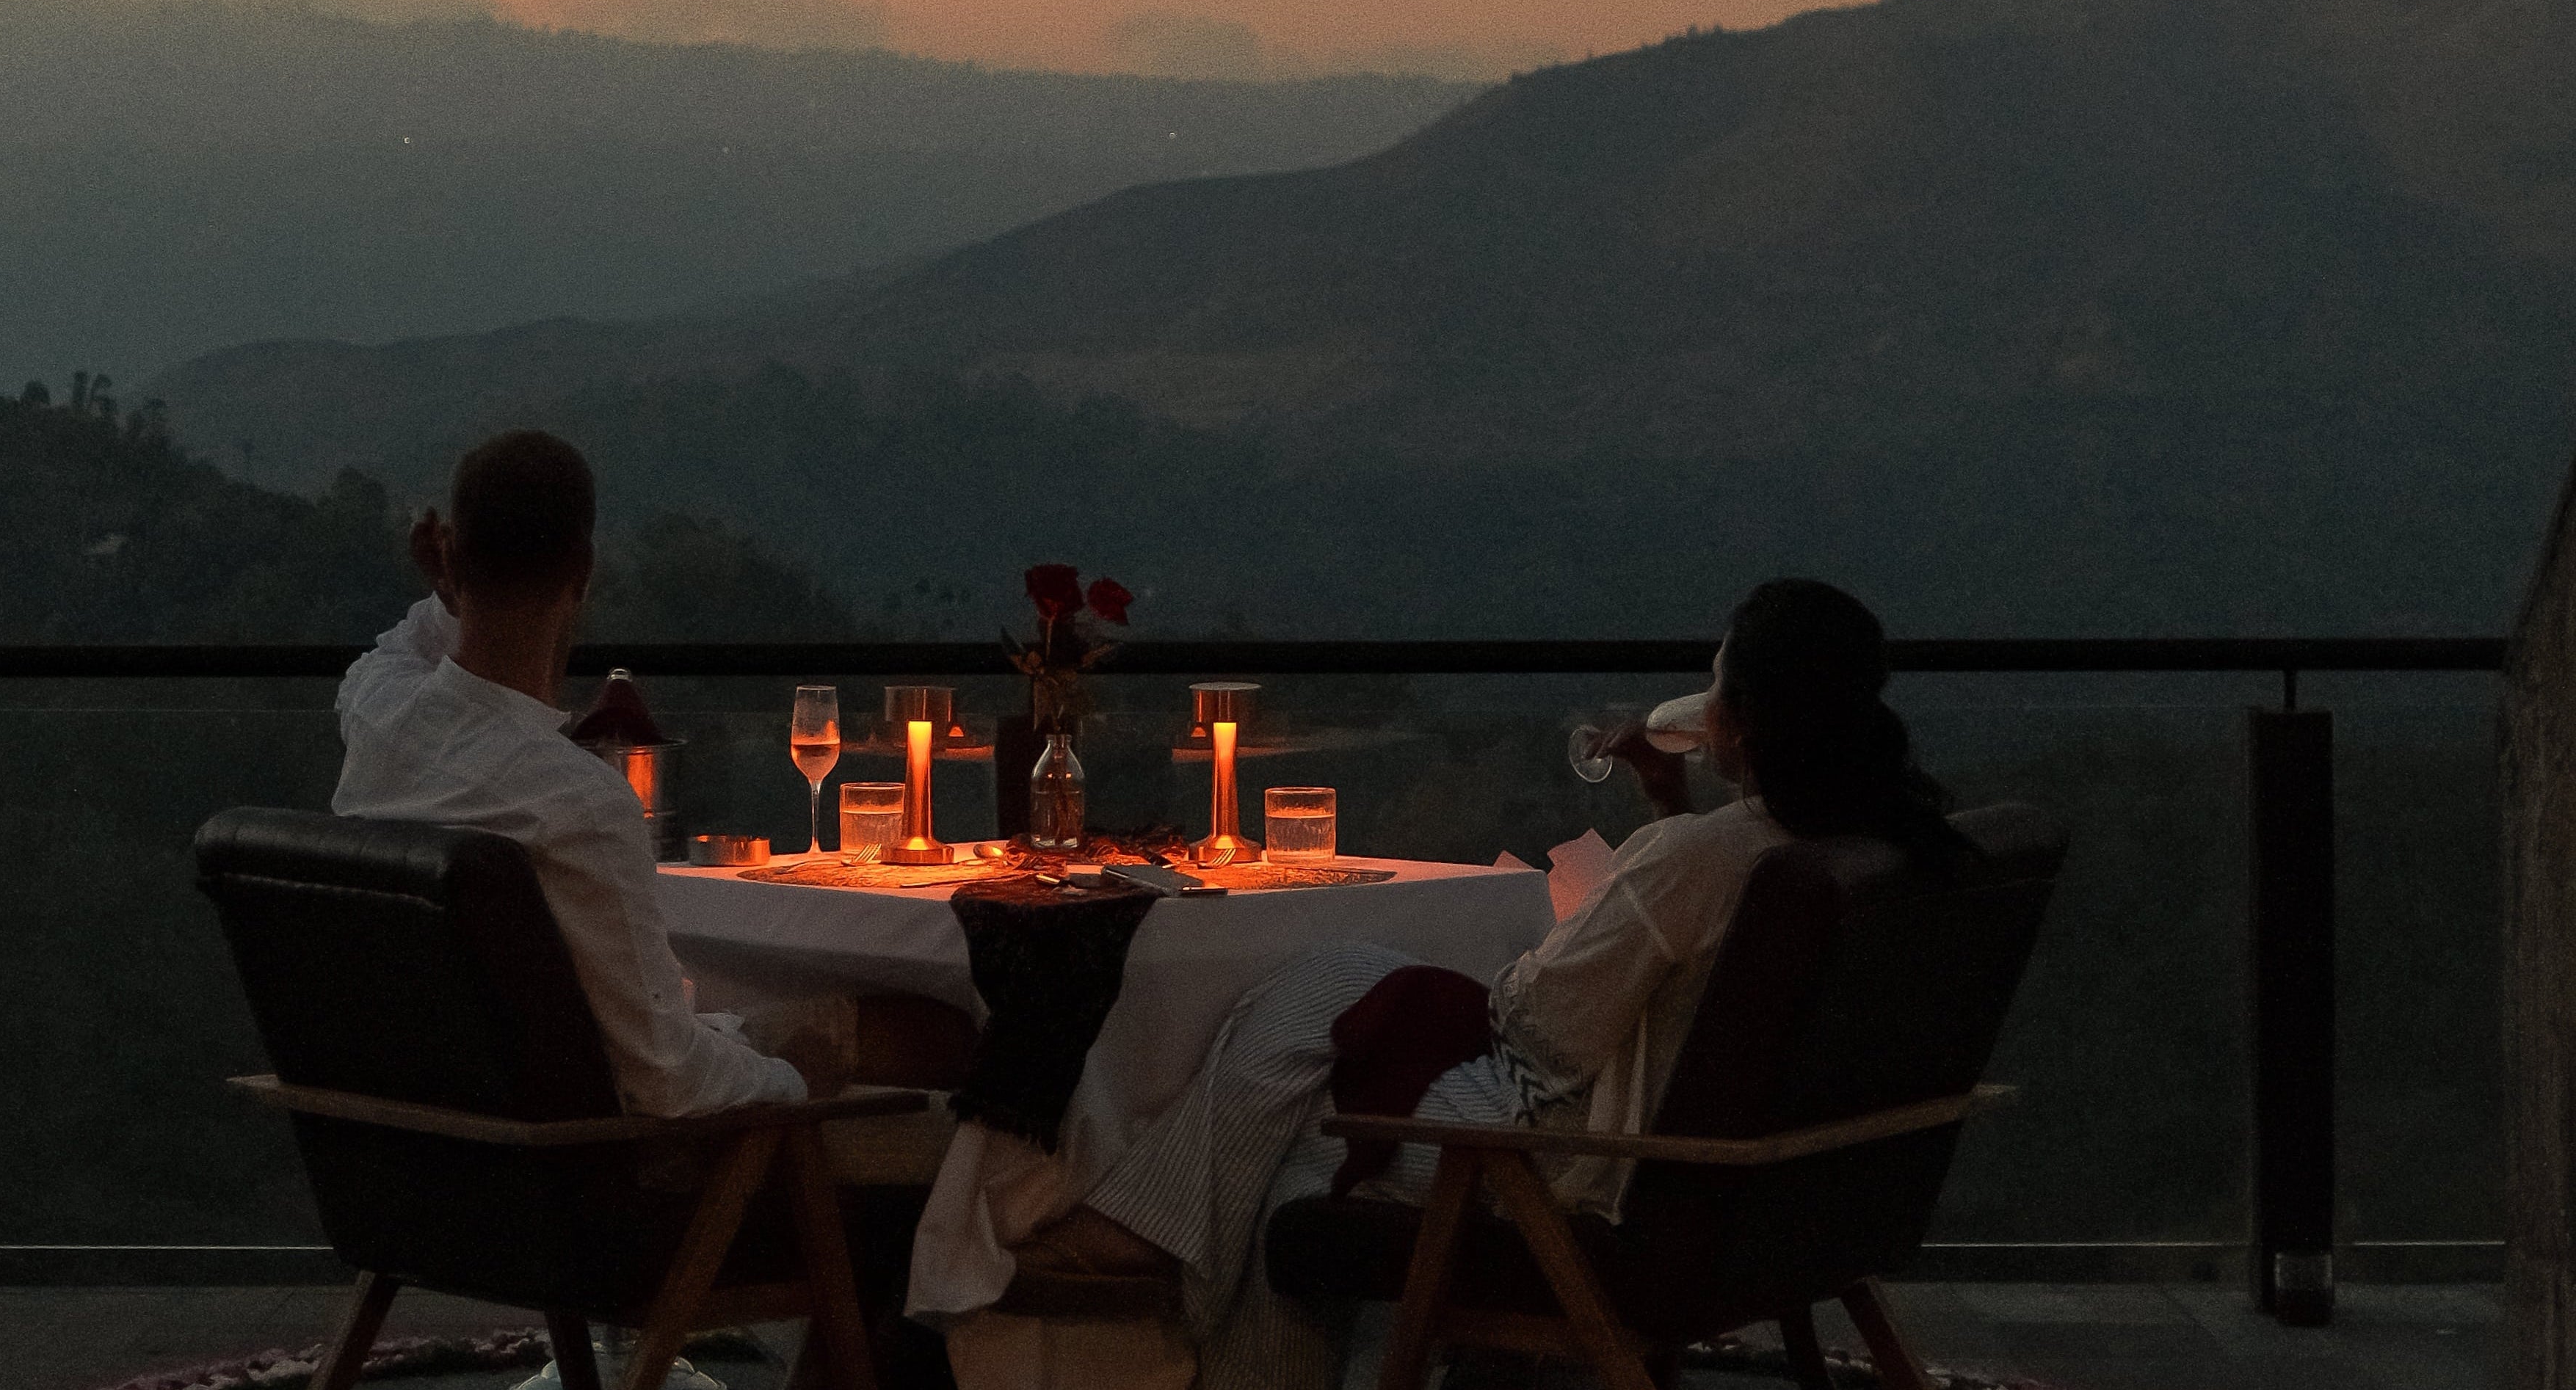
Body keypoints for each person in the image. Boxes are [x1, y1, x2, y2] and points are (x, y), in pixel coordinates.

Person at [1039, 577, 1967, 1390]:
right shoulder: (1890, 843)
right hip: (1800, 1195)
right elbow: (1709, 960)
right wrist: (1661, 810)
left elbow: (1542, 1028)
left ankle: (1147, 1232)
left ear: (1743, 716)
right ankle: (1151, 1228)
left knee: (1307, 1160)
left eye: (1718, 684)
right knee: (1334, 988)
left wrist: (1544, 947)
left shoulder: (1701, 862)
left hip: (1584, 1173)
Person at [333, 427, 971, 1114]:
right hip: (615, 1156)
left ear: (451, 560)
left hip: (439, 1133)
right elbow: (668, 1076)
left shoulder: (377, 711)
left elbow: (400, 647)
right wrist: (794, 1079)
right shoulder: (581, 802)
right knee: (937, 1034)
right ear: (583, 572)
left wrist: (453, 579)